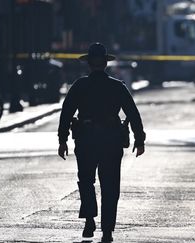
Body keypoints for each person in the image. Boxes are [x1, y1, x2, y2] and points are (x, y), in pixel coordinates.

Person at [57, 43, 145, 241]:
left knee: (86, 182)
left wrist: (62, 140)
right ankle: (107, 230)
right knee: (110, 186)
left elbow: (66, 113)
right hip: (111, 141)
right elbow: (133, 113)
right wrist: (139, 140)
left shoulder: (79, 86)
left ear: (88, 64)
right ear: (106, 63)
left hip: (86, 140)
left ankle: (89, 220)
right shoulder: (117, 86)